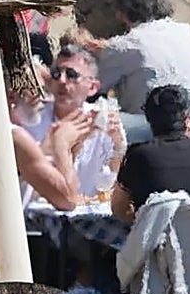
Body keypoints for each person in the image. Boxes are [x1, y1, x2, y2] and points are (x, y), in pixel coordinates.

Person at [86, 0, 190, 115]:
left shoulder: (126, 46)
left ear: (121, 12)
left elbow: (92, 87)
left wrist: (83, 52)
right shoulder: (186, 31)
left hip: (152, 126)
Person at [112, 85, 190, 224]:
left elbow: (119, 208)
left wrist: (144, 222)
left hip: (160, 242)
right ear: (187, 120)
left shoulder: (139, 156)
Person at [15, 45, 126, 203]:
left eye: (71, 75)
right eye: (56, 74)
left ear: (92, 87)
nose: (62, 80)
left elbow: (113, 184)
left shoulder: (104, 121)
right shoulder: (31, 118)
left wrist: (118, 147)